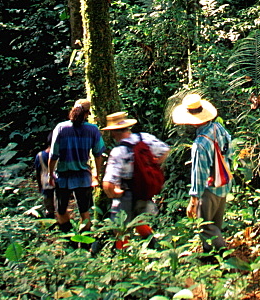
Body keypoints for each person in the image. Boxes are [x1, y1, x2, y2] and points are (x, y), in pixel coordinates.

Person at [171, 92, 232, 254]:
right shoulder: (218, 128)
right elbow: (229, 148)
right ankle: (210, 257)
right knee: (216, 224)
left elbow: (199, 173)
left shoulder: (200, 144)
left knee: (205, 226)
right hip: (223, 183)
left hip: (209, 189)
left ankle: (226, 258)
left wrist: (193, 200)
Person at [101, 110, 170, 223]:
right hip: (144, 190)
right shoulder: (144, 138)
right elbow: (166, 151)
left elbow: (108, 184)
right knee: (144, 224)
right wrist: (153, 164)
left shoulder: (118, 151)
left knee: (121, 229)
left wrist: (113, 193)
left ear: (113, 133)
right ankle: (149, 240)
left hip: (126, 193)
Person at [47, 98, 105, 233]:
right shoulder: (93, 129)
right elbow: (98, 154)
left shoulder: (61, 128)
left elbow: (53, 155)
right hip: (83, 177)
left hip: (62, 176)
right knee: (84, 212)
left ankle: (69, 240)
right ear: (86, 114)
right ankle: (85, 245)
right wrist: (96, 173)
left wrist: (50, 174)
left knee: (61, 210)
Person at [34, 132, 55, 218]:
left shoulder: (40, 156)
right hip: (59, 183)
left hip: (46, 184)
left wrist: (40, 186)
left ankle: (51, 225)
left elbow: (38, 172)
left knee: (49, 207)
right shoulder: (61, 155)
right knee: (60, 207)